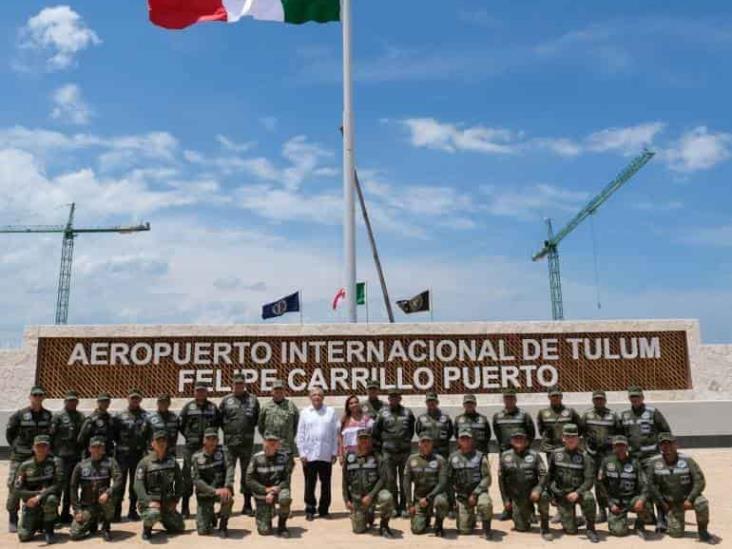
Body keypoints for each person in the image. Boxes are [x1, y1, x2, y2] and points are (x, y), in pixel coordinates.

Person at [620, 385, 671, 529]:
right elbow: (620, 436)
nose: (635, 399)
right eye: (632, 397)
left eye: (637, 396)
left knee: (655, 487)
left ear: (642, 397)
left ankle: (662, 519)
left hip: (651, 457)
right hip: (634, 458)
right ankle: (649, 517)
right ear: (629, 398)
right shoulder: (624, 415)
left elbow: (665, 431)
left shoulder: (653, 412)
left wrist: (666, 451)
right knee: (641, 487)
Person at [646, 433, 713, 542]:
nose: (667, 447)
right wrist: (662, 502)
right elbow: (650, 484)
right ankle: (668, 519)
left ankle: (703, 531)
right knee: (676, 534)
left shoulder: (687, 460)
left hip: (688, 498)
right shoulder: (654, 462)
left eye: (670, 443)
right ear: (660, 446)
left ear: (676, 445)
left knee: (702, 503)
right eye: (663, 444)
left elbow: (700, 481)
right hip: (671, 502)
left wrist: (690, 499)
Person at [6, 386, 53, 533]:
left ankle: (37, 518)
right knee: (15, 485)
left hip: (38, 457)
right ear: (30, 397)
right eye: (35, 395)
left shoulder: (48, 415)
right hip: (20, 456)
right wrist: (17, 447)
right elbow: (10, 433)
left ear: (43, 397)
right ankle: (13, 516)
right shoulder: (19, 415)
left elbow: (50, 435)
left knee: (39, 485)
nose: (37, 397)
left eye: (40, 395)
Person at [542, 423, 599, 542]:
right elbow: (550, 476)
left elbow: (589, 480)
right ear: (563, 438)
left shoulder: (585, 456)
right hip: (562, 494)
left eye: (573, 437)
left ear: (578, 439)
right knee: (570, 530)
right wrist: (553, 493)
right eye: (568, 437)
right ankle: (575, 520)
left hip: (578, 494)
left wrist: (578, 493)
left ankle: (590, 528)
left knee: (589, 497)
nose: (571, 439)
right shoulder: (556, 454)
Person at [492, 387, 536, 521]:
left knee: (527, 479)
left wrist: (523, 447)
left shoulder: (524, 416)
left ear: (515, 399)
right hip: (505, 454)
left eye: (511, 398)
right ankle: (508, 508)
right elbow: (497, 433)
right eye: (507, 398)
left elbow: (531, 433)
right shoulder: (497, 416)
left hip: (522, 453)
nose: (509, 400)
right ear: (503, 400)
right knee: (505, 480)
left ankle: (530, 510)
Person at [219, 373, 259, 516]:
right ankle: (226, 506)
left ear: (244, 384)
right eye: (236, 384)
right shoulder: (226, 401)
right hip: (230, 445)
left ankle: (247, 504)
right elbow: (220, 420)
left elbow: (255, 420)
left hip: (246, 444)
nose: (238, 386)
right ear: (232, 384)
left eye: (241, 383)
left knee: (247, 474)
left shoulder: (253, 400)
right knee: (228, 474)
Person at [295, 387, 339, 520]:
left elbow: (334, 434)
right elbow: (300, 434)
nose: (317, 397)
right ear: (310, 397)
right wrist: (302, 453)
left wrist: (334, 452)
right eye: (314, 395)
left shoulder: (330, 412)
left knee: (326, 483)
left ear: (323, 397)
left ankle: (324, 509)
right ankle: (310, 508)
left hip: (325, 453)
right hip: (309, 454)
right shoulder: (305, 412)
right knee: (310, 483)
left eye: (319, 395)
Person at [498, 430, 551, 540]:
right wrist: (506, 500)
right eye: (516, 438)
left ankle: (545, 527)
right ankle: (527, 512)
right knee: (522, 528)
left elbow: (543, 474)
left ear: (527, 442)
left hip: (532, 493)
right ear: (511, 441)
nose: (518, 441)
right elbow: (501, 480)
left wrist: (538, 488)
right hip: (517, 496)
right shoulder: (505, 456)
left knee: (544, 496)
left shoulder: (534, 455)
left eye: (521, 438)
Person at [341, 428, 394, 537]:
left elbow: (383, 478)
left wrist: (370, 495)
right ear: (357, 440)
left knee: (387, 497)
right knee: (358, 530)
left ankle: (384, 525)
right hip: (358, 498)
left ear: (370, 440)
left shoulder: (376, 456)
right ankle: (367, 513)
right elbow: (345, 480)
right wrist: (347, 500)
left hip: (373, 496)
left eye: (366, 438)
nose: (364, 441)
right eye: (361, 438)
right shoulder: (350, 456)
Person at [371, 388, 416, 518]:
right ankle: (394, 506)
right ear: (388, 399)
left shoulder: (407, 413)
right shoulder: (382, 413)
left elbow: (411, 431)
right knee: (390, 481)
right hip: (388, 453)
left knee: (404, 480)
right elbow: (376, 432)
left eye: (396, 397)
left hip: (404, 452)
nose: (393, 399)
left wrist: (403, 441)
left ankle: (403, 506)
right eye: (391, 397)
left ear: (400, 398)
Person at [179, 381, 220, 518]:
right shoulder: (188, 407)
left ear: (207, 392)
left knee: (208, 476)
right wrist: (191, 437)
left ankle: (209, 507)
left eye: (203, 390)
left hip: (207, 449)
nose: (200, 393)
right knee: (187, 477)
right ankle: (185, 507)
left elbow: (217, 425)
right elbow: (181, 425)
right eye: (198, 390)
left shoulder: (213, 408)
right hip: (191, 448)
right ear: (194, 392)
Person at [69, 436, 122, 541]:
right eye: (94, 447)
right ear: (89, 449)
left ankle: (106, 527)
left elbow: (118, 479)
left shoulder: (110, 462)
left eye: (100, 447)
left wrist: (108, 492)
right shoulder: (81, 465)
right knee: (74, 534)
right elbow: (73, 488)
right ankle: (92, 522)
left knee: (110, 499)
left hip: (103, 502)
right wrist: (77, 510)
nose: (97, 449)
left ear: (103, 449)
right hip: (88, 505)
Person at [134, 431, 185, 541]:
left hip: (167, 502)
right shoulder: (145, 462)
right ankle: (147, 529)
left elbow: (180, 482)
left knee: (179, 528)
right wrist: (148, 502)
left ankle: (164, 518)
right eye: (158, 441)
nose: (161, 443)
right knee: (153, 514)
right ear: (152, 444)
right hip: (151, 503)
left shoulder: (172, 462)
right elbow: (138, 485)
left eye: (163, 441)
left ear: (166, 443)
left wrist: (175, 500)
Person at [597, 435, 650, 538]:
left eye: (622, 446)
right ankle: (620, 520)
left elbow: (645, 484)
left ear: (627, 447)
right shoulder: (607, 462)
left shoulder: (635, 462)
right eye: (617, 446)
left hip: (631, 500)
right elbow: (601, 485)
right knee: (619, 532)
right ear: (613, 447)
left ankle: (639, 526)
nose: (620, 448)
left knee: (645, 502)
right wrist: (610, 504)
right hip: (615, 503)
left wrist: (641, 499)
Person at [580, 389, 620, 524]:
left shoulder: (613, 415)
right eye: (596, 399)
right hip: (593, 455)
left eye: (601, 399)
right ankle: (602, 511)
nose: (599, 401)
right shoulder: (586, 415)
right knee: (598, 483)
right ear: (593, 400)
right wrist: (586, 447)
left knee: (611, 482)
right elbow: (581, 433)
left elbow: (620, 434)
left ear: (605, 400)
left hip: (609, 455)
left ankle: (612, 509)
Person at [14, 434, 62, 543]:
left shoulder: (54, 463)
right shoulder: (25, 465)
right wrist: (33, 496)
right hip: (30, 502)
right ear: (33, 448)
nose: (41, 449)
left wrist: (39, 497)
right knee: (24, 536)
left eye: (44, 446)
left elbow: (57, 485)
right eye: (38, 446)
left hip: (45, 499)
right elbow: (17, 489)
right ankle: (37, 523)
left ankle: (49, 531)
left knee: (51, 499)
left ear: (48, 448)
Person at [245, 433, 293, 537]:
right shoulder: (256, 458)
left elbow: (286, 479)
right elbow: (249, 480)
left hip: (277, 491)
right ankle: (268, 512)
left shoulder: (283, 457)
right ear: (263, 443)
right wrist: (265, 490)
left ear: (278, 445)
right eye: (267, 442)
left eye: (273, 443)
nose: (269, 445)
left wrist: (275, 490)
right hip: (262, 494)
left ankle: (282, 526)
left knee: (285, 498)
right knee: (264, 531)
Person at [447, 430, 493, 539]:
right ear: (458, 440)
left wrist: (475, 493)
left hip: (479, 493)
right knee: (464, 531)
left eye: (467, 439)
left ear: (472, 440)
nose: (465, 441)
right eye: (462, 439)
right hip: (462, 495)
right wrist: (452, 500)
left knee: (485, 504)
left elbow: (487, 478)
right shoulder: (453, 457)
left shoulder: (480, 456)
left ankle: (487, 530)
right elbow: (448, 479)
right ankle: (470, 518)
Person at [112, 388, 147, 521]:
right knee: (119, 483)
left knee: (135, 483)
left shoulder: (146, 416)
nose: (135, 401)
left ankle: (132, 510)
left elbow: (148, 434)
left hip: (138, 455)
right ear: (128, 399)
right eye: (132, 398)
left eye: (137, 398)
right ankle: (116, 511)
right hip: (122, 455)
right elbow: (114, 434)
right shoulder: (119, 416)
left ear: (140, 400)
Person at [50, 390, 85, 525]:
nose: (72, 403)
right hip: (60, 457)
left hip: (74, 457)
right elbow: (51, 436)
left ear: (77, 402)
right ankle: (54, 515)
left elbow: (83, 438)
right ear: (65, 401)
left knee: (72, 486)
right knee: (58, 485)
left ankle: (66, 513)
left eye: (74, 400)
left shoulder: (80, 417)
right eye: (69, 400)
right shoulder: (58, 416)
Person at [191, 428, 234, 537]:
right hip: (205, 493)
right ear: (203, 440)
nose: (211, 441)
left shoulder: (223, 452)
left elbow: (230, 468)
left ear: (218, 440)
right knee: (203, 531)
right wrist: (214, 491)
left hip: (222, 490)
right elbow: (197, 481)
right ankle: (211, 515)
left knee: (228, 497)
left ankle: (223, 525)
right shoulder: (196, 457)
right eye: (208, 439)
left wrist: (227, 486)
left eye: (214, 439)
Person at [404, 433, 449, 536]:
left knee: (441, 501)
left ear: (432, 444)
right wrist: (410, 504)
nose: (425, 444)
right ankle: (426, 516)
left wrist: (428, 498)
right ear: (419, 444)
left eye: (428, 442)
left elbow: (442, 483)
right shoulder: (412, 459)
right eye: (423, 442)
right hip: (419, 499)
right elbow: (406, 483)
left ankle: (438, 524)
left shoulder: (440, 460)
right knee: (417, 530)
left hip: (435, 496)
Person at [258, 380, 299, 461]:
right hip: (270, 447)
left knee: (286, 472)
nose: (278, 392)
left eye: (281, 390)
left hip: (286, 446)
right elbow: (261, 426)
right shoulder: (266, 407)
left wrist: (289, 437)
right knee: (270, 471)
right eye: (276, 390)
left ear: (284, 392)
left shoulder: (291, 406)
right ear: (272, 392)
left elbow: (296, 424)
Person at [537, 386, 581, 455]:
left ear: (561, 397)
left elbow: (579, 429)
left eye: (557, 396)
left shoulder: (570, 412)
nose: (555, 398)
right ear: (549, 397)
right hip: (548, 449)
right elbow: (541, 431)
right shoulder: (542, 413)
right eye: (553, 396)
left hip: (565, 449)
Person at [338, 394, 373, 462]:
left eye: (356, 402)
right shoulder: (344, 420)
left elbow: (372, 435)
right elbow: (340, 439)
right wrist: (341, 455)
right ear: (348, 406)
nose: (354, 404)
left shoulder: (366, 419)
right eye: (351, 403)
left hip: (363, 454)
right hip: (348, 455)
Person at [78, 393, 115, 458]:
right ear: (98, 402)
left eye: (106, 401)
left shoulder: (110, 418)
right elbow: (81, 438)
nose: (105, 404)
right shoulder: (91, 419)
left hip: (107, 453)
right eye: (102, 401)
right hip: (93, 453)